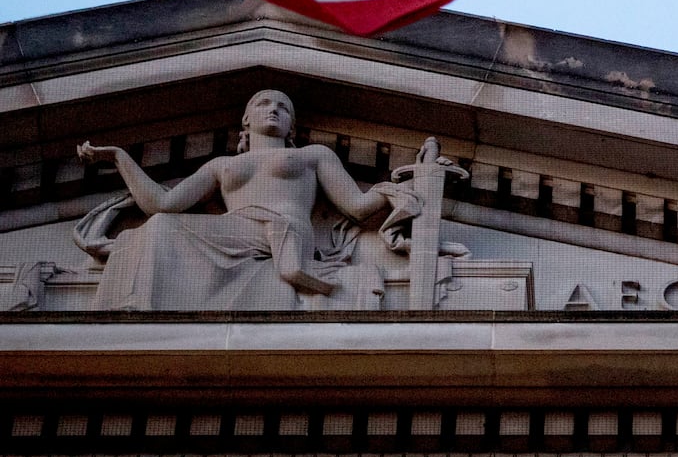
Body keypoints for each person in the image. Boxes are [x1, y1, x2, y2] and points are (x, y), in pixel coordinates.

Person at [76, 89, 423, 310]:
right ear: (246, 119)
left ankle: (298, 271)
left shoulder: (312, 155)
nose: (274, 110)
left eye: (283, 108)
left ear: (292, 126)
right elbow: (161, 205)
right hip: (235, 231)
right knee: (158, 227)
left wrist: (396, 188)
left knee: (163, 228)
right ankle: (138, 308)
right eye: (264, 103)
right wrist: (119, 157)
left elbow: (357, 207)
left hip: (285, 230)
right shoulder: (222, 165)